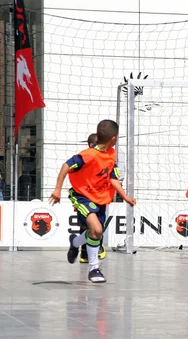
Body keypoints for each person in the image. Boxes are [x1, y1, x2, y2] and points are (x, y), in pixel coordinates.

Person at [49, 120, 136, 283]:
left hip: (100, 198)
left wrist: (124, 196)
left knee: (95, 232)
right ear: (114, 138)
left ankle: (75, 242)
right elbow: (66, 166)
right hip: (81, 196)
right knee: (96, 229)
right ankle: (94, 268)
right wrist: (58, 189)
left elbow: (112, 177)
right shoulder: (88, 155)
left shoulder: (111, 154)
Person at [79, 133, 107, 264]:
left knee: (98, 225)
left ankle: (89, 251)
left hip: (100, 197)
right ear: (91, 145)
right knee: (87, 226)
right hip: (85, 198)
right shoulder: (84, 158)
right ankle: (87, 254)